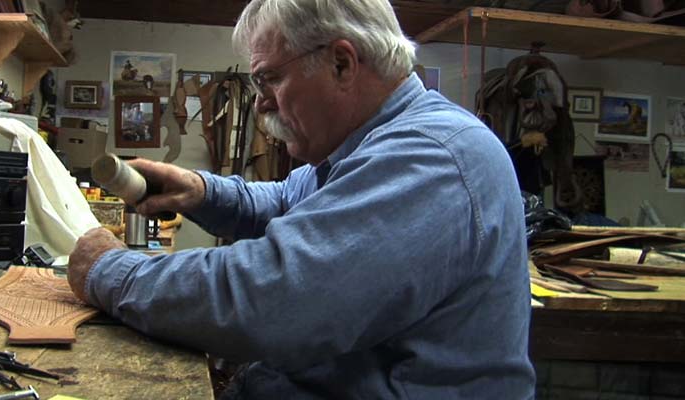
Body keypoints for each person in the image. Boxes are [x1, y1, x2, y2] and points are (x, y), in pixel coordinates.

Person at [67, 0, 535, 398]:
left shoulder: (431, 155)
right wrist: (203, 191)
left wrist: (109, 271)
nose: (261, 103)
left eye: (269, 79)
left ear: (342, 64)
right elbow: (284, 199)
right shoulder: (365, 145)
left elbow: (271, 298)